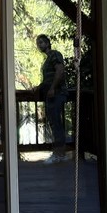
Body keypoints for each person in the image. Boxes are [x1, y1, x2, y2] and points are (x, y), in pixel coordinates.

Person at [36, 34, 67, 163]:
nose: (39, 45)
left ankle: (59, 154)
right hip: (51, 94)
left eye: (42, 42)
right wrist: (39, 87)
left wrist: (53, 88)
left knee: (56, 123)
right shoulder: (48, 59)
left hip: (57, 94)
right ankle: (58, 153)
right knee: (54, 123)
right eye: (38, 43)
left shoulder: (55, 54)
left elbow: (60, 71)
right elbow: (48, 79)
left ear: (48, 43)